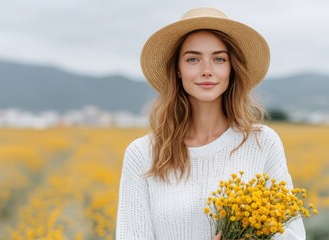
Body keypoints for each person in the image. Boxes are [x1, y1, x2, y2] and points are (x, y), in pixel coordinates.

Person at [116, 7, 306, 240]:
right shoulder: (142, 154)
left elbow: (293, 235)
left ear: (231, 68)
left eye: (219, 59)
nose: (207, 71)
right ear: (177, 69)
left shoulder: (262, 143)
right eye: (193, 59)